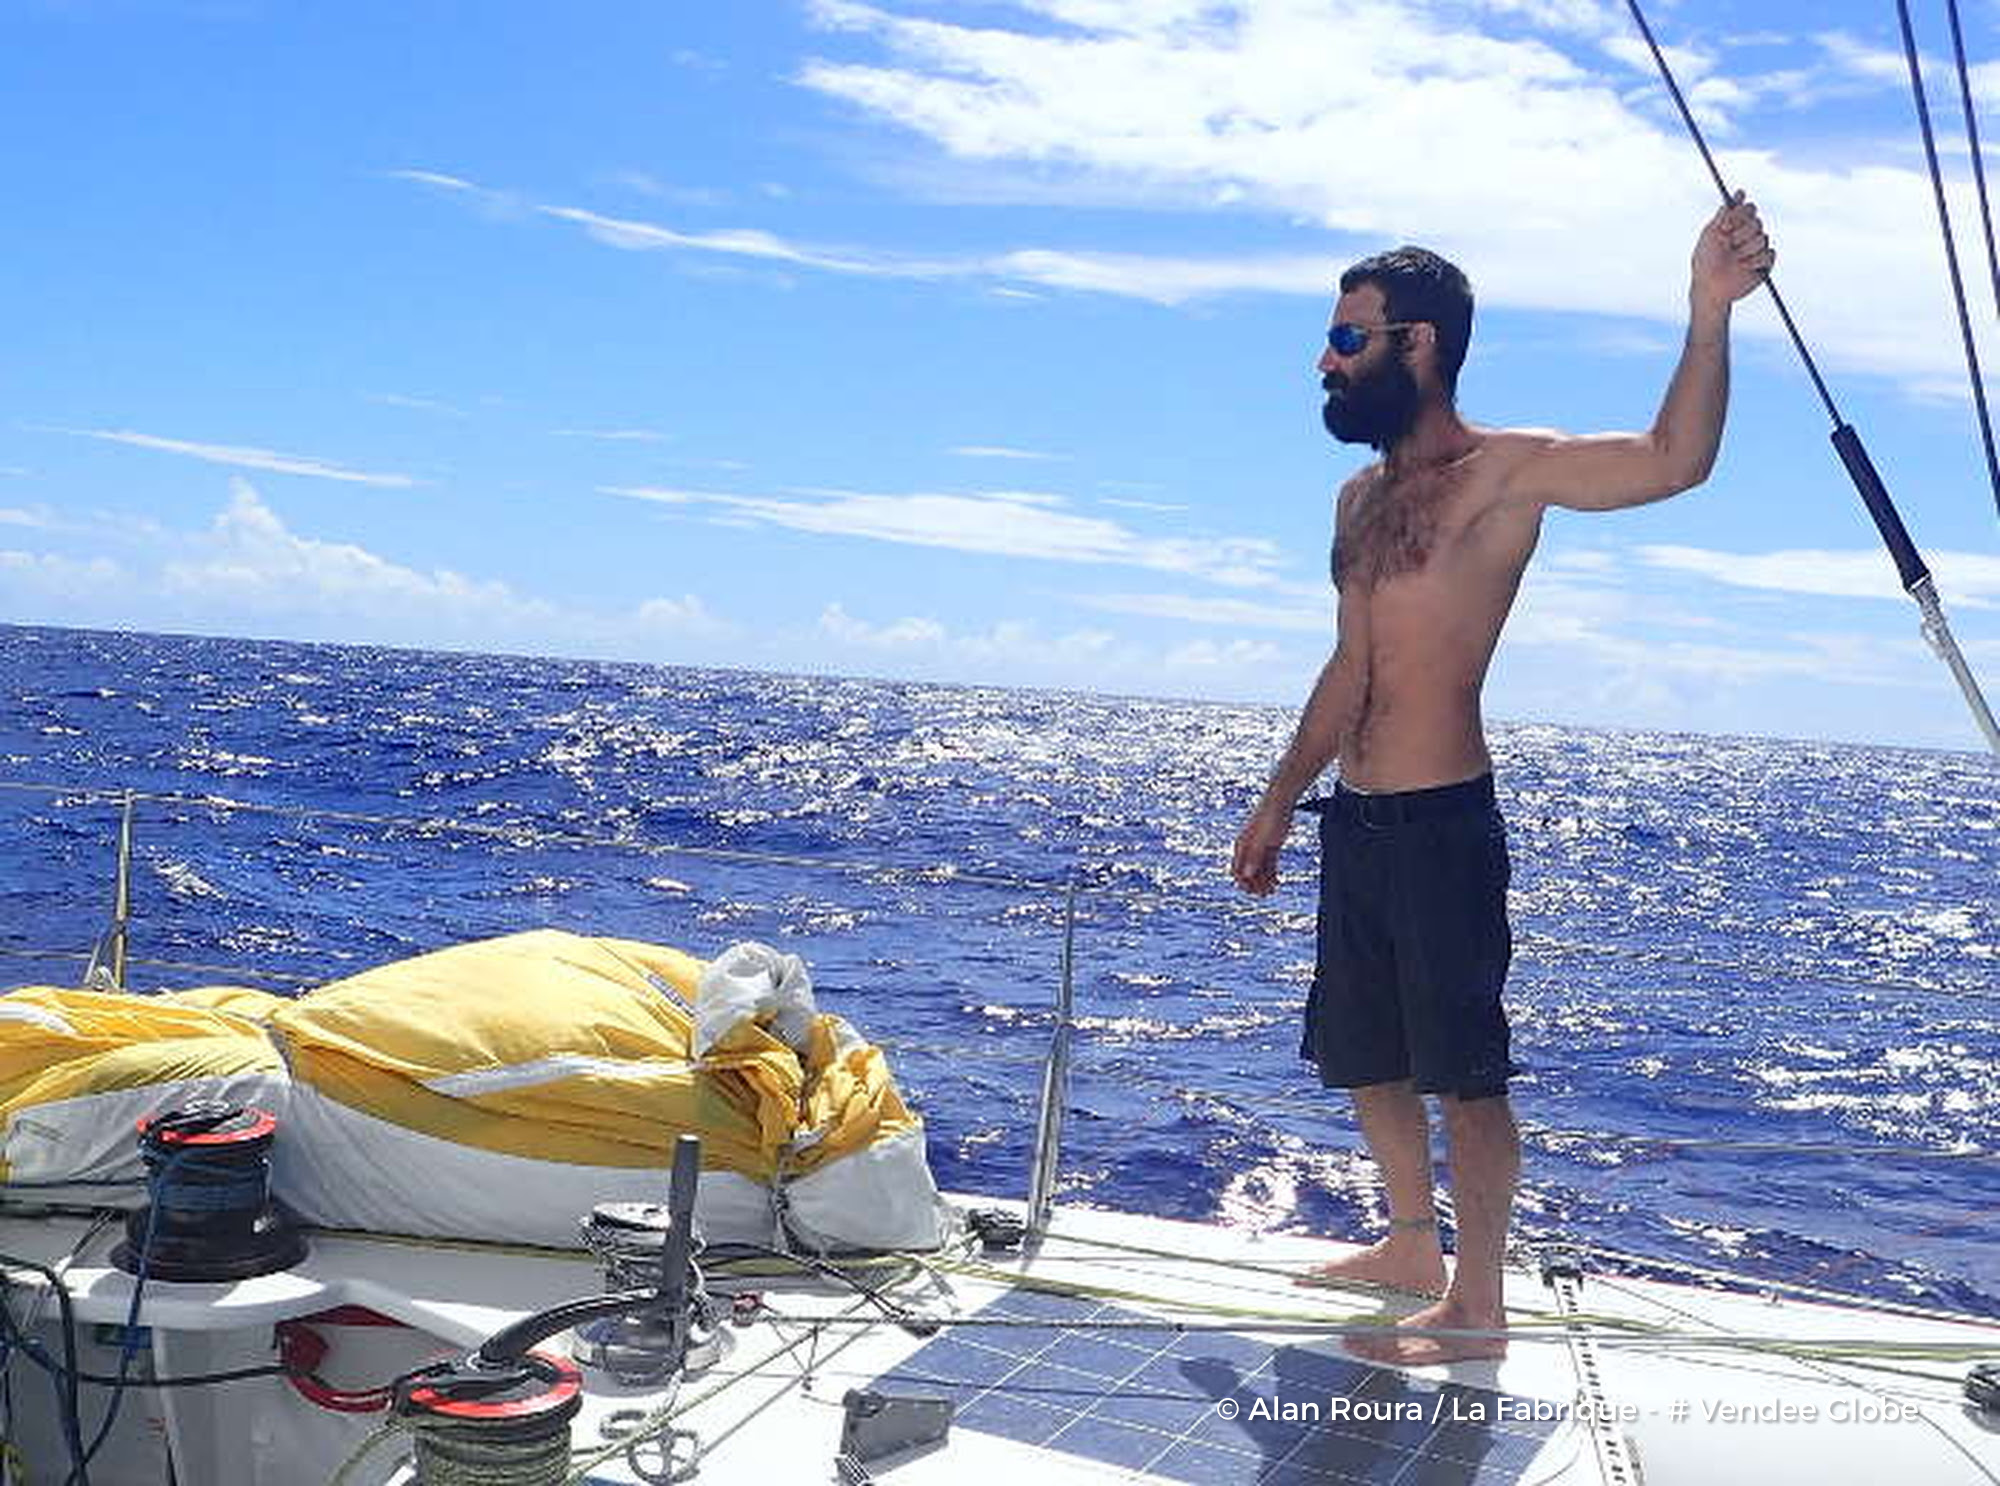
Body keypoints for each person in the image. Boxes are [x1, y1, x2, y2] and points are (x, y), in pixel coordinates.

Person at [1229, 194, 1774, 1366]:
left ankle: (1477, 1304)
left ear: (1414, 345)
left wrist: (1705, 310)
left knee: (1464, 1078)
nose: (1323, 360)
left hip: (1439, 823)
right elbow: (1350, 663)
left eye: (1345, 338)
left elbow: (1672, 461)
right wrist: (1279, 798)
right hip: (1357, 820)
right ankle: (1409, 1245)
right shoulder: (1357, 500)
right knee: (1364, 1054)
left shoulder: (1500, 475)